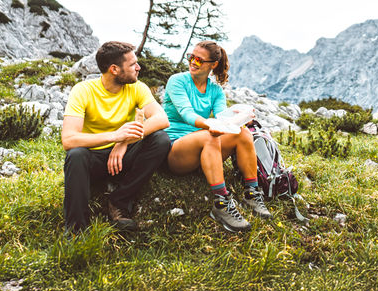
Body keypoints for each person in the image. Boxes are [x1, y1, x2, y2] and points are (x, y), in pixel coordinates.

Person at [61, 41, 170, 233]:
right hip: (93, 161)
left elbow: (161, 119)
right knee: (76, 155)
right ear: (114, 69)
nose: (138, 67)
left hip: (123, 158)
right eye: (132, 64)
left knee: (160, 139)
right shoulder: (83, 90)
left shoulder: (137, 87)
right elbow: (69, 139)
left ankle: (119, 201)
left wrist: (123, 141)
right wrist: (115, 135)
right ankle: (76, 232)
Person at [163, 40, 271, 233]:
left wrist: (240, 118)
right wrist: (209, 125)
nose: (193, 62)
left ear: (212, 65)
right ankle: (221, 204)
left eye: (199, 60)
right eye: (191, 57)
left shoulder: (215, 90)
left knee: (243, 133)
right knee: (209, 136)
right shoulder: (177, 81)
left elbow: (223, 117)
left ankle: (252, 193)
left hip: (204, 149)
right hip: (177, 150)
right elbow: (186, 113)